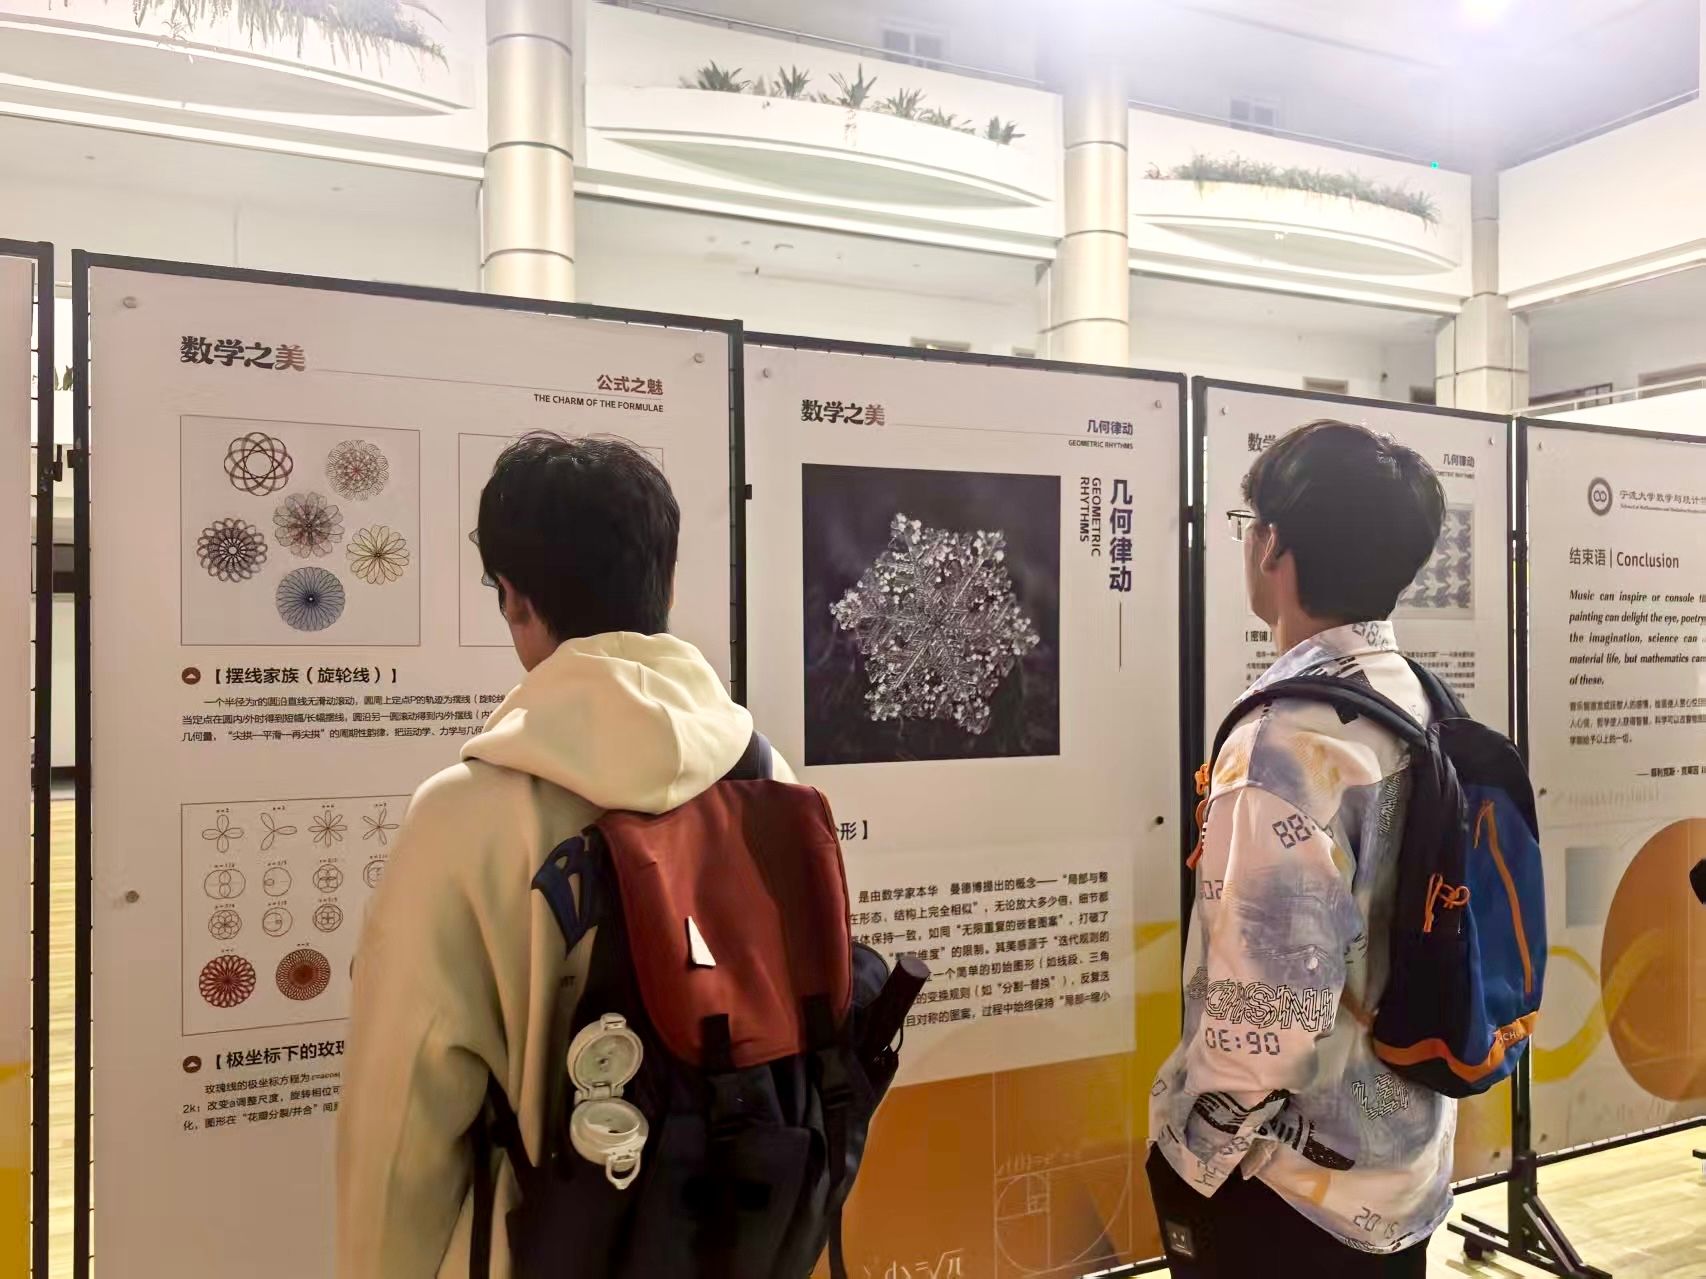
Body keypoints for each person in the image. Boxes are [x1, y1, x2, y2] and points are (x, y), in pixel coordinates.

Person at [336, 434, 790, 1278]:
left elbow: (401, 1126)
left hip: (544, 1244)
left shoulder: (462, 816)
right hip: (745, 1233)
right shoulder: (767, 777)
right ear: (666, 583)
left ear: (515, 599)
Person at [1147, 420, 1450, 1276]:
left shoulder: (1282, 745)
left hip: (1290, 1188)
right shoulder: (1420, 699)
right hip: (1404, 1162)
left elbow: (1266, 1023)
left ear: (1273, 545)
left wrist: (1191, 1157)